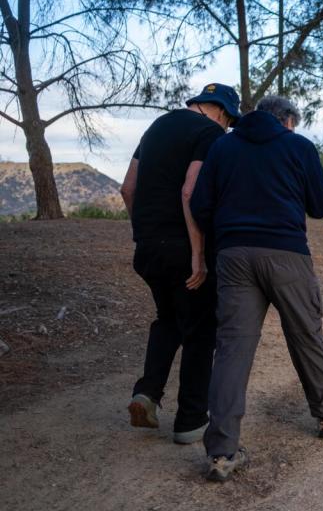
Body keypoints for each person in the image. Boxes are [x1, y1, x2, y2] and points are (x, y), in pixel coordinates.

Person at [190, 95, 323, 482]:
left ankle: (222, 453)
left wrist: (224, 239)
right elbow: (320, 205)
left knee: (232, 349)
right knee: (305, 335)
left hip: (234, 255)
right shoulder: (298, 146)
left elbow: (200, 205)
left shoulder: (222, 146)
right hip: (286, 254)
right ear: (288, 121)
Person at [120, 83, 240, 443]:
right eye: (228, 121)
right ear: (220, 112)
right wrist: (197, 254)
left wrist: (143, 231)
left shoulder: (156, 127)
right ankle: (190, 420)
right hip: (182, 247)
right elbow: (190, 190)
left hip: (148, 246)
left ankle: (147, 394)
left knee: (168, 319)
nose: (226, 128)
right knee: (201, 329)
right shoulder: (208, 132)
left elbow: (128, 188)